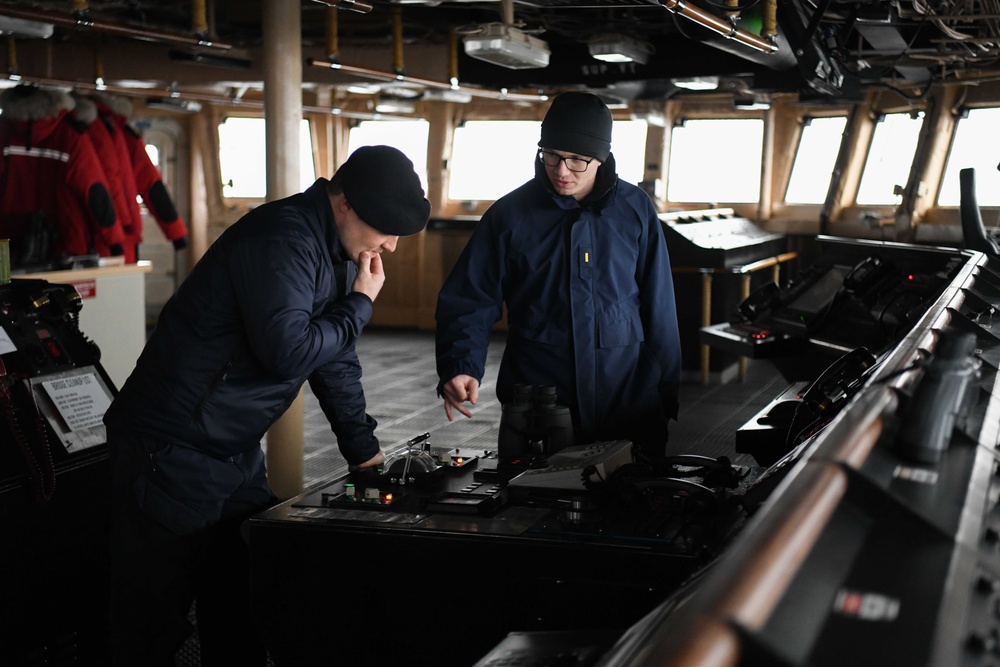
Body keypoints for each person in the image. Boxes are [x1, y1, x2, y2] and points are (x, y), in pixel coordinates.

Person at [103, 145, 430, 666]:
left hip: (230, 450)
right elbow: (290, 352)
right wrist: (361, 305)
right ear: (343, 201)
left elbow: (334, 357)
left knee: (245, 602)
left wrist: (364, 452)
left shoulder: (338, 251)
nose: (389, 245)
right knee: (150, 622)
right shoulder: (282, 238)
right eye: (384, 228)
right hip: (170, 448)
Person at [435, 92, 681, 462]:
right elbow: (471, 297)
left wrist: (666, 392)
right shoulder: (510, 215)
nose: (562, 170)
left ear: (601, 157)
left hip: (627, 400)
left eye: (578, 160)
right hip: (540, 404)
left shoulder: (635, 210)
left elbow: (658, 303)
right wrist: (460, 366)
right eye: (551, 155)